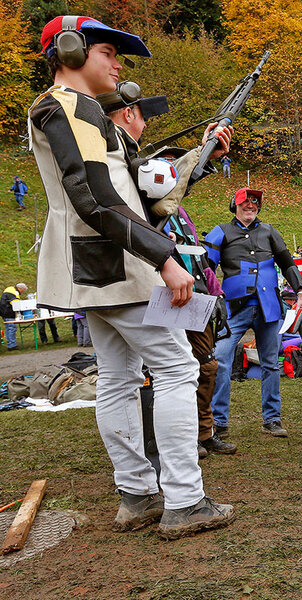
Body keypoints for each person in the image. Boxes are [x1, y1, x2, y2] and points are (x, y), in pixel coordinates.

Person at [29, 15, 234, 538]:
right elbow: (97, 199)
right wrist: (164, 256)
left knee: (120, 378)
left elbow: (136, 193)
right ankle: (185, 500)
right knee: (176, 369)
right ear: (71, 51)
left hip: (102, 263)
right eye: (106, 51)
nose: (117, 64)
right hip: (116, 262)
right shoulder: (66, 108)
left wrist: (201, 160)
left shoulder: (83, 112)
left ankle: (138, 495)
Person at [99, 81, 237, 458]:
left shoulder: (179, 213)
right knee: (165, 374)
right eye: (142, 116)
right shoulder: (132, 188)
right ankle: (173, 445)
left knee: (205, 367)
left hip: (193, 295)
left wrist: (214, 293)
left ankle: (202, 433)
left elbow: (198, 256)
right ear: (127, 114)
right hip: (159, 293)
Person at [205, 188, 302, 439]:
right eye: (245, 203)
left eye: (254, 203)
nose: (250, 206)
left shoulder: (269, 231)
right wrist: (207, 296)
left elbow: (287, 263)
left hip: (269, 307)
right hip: (233, 309)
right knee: (221, 361)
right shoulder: (221, 231)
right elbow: (206, 267)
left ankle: (271, 419)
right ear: (235, 205)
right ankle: (219, 422)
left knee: (271, 364)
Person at [0, 283, 27, 350]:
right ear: (20, 288)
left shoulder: (10, 289)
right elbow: (16, 305)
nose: (22, 292)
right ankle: (12, 345)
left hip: (4, 311)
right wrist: (23, 312)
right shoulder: (14, 292)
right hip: (8, 312)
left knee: (9, 328)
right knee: (11, 328)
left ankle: (11, 344)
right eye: (23, 290)